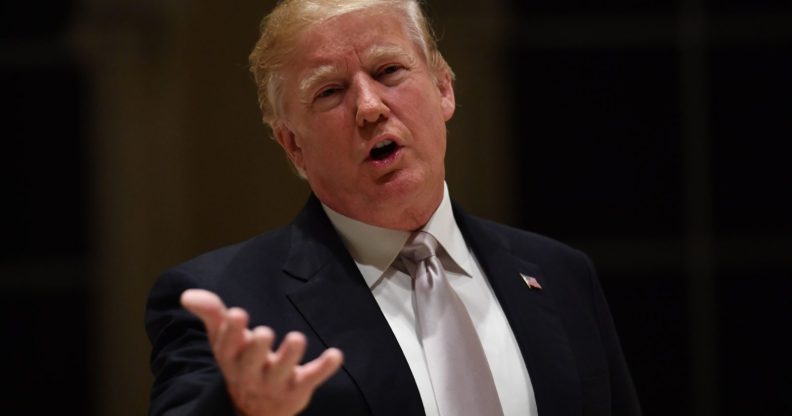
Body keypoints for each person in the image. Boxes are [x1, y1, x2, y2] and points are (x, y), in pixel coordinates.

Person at [144, 0, 642, 415]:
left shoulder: (561, 276)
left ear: (444, 88)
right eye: (330, 91)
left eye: (388, 71)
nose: (369, 107)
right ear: (292, 145)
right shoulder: (227, 308)